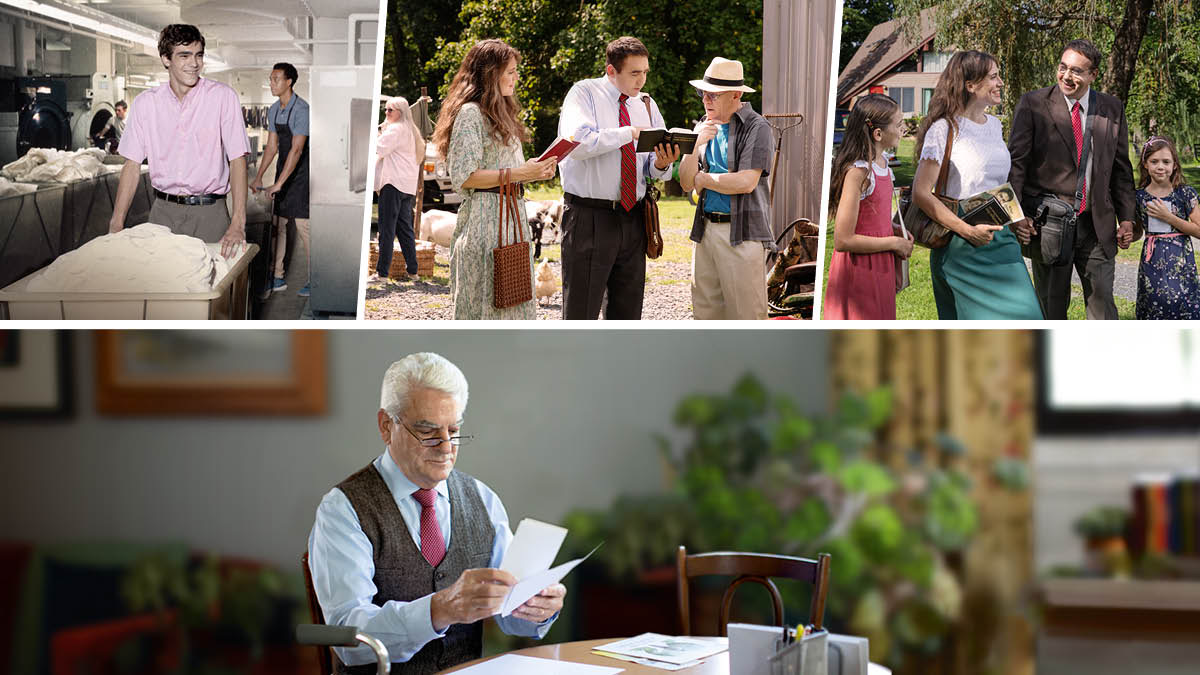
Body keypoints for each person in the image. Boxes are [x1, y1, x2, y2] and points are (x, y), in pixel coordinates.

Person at [308, 353, 566, 674]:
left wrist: (537, 609)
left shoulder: (483, 500)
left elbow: (510, 616)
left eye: (454, 430)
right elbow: (350, 639)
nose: (446, 447)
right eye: (428, 432)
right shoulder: (343, 509)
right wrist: (441, 609)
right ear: (387, 426)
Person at [1008, 39, 1137, 319]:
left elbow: (1121, 169)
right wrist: (1017, 214)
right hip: (1050, 226)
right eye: (1063, 67)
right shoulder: (1033, 104)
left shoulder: (1112, 108)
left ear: (1093, 75)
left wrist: (1127, 217)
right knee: (1051, 310)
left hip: (1097, 226)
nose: (1067, 76)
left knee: (1103, 310)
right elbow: (1017, 164)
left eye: (1077, 71)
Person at [912, 50, 1043, 320]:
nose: (1001, 83)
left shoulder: (995, 126)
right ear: (971, 85)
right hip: (961, 244)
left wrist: (1017, 219)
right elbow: (921, 194)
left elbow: (998, 182)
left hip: (1003, 239)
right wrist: (967, 230)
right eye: (994, 77)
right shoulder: (943, 129)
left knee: (1029, 317)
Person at [433, 39, 557, 320]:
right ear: (491, 73)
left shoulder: (503, 114)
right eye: (510, 71)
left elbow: (506, 170)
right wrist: (520, 173)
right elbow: (465, 177)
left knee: (514, 306)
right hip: (484, 223)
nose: (516, 77)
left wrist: (534, 171)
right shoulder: (470, 114)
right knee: (486, 308)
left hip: (511, 221)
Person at [557, 36, 679, 320]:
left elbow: (650, 167)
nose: (642, 81)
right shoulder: (583, 93)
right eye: (634, 73)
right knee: (580, 314)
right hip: (589, 216)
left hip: (633, 217)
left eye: (645, 72)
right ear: (611, 70)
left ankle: (619, 364)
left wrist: (662, 164)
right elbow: (578, 145)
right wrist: (629, 132)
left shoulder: (646, 104)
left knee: (627, 315)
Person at [109, 24, 251, 259]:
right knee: (158, 287)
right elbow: (131, 166)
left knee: (212, 290)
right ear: (166, 59)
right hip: (162, 213)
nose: (194, 63)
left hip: (210, 214)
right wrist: (116, 223)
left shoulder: (222, 98)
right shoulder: (146, 104)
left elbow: (238, 160)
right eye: (184, 56)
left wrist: (237, 223)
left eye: (198, 55)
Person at [677, 57, 774, 320]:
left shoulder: (757, 126)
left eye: (714, 95)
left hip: (741, 234)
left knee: (746, 318)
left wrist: (704, 180)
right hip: (705, 231)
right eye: (703, 93)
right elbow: (686, 181)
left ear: (736, 95)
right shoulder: (703, 126)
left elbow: (745, 182)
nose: (706, 100)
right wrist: (694, 145)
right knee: (705, 316)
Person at [823, 94, 913, 320]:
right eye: (898, 124)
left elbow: (874, 217)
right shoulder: (859, 172)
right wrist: (894, 242)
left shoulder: (883, 165)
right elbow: (843, 240)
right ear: (878, 134)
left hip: (880, 263)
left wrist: (894, 229)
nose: (903, 129)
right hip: (860, 269)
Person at [250, 62, 310, 296]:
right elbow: (272, 146)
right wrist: (260, 176)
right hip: (284, 172)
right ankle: (277, 277)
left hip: (302, 173)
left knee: (304, 226)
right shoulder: (274, 109)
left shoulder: (301, 109)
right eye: (270, 79)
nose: (271, 83)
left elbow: (297, 150)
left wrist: (280, 183)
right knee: (278, 225)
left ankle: (315, 280)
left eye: (276, 79)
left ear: (289, 82)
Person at [1133, 136, 1200, 319]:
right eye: (1154, 161)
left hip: (1180, 262)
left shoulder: (1184, 193)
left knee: (1182, 303)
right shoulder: (1139, 197)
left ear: (1174, 165)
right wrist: (1127, 235)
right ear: (1145, 164)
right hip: (1151, 261)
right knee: (1154, 303)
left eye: (1166, 161)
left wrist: (1169, 217)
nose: (1160, 166)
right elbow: (1138, 230)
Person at [372, 96, 424, 285]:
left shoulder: (395, 129)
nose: (386, 113)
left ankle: (382, 274)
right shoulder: (411, 130)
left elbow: (379, 148)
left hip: (392, 184)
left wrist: (375, 133)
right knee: (405, 230)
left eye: (390, 110)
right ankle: (413, 271)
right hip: (407, 187)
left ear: (399, 112)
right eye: (385, 109)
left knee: (386, 229)